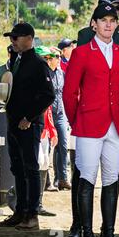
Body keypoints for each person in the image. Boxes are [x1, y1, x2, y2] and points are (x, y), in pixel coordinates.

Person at [66, 0, 119, 237]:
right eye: (103, 21)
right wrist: (78, 120)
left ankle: (108, 236)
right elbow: (69, 92)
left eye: (112, 21)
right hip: (88, 124)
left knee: (111, 178)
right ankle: (87, 236)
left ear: (116, 25)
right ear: (93, 25)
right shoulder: (81, 52)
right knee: (86, 177)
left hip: (115, 125)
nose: (108, 25)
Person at [0, 22, 55, 231]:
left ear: (29, 38)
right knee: (17, 168)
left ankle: (32, 214)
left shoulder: (38, 63)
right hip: (13, 121)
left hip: (29, 124)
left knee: (30, 169)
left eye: (15, 37)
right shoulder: (15, 62)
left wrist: (29, 117)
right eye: (11, 38)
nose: (12, 41)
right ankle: (20, 212)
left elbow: (48, 95)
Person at [42, 46, 71, 191]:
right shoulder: (44, 73)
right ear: (50, 59)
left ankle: (62, 179)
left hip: (60, 113)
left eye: (60, 57)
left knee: (63, 146)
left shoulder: (61, 73)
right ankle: (46, 181)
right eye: (57, 57)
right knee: (47, 147)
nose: (59, 60)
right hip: (47, 113)